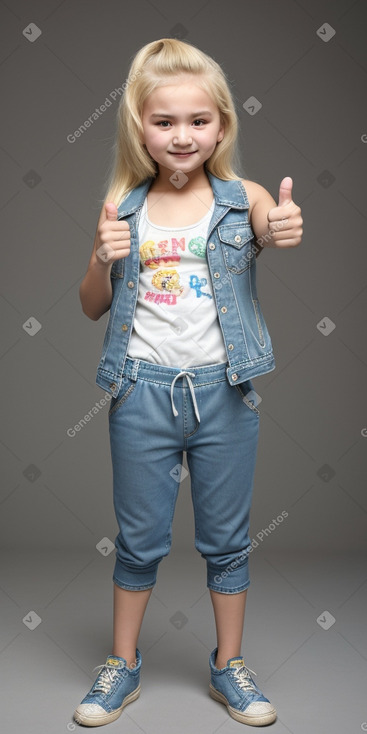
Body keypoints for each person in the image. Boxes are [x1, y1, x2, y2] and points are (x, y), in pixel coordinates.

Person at [73, 37, 303, 729]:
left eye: (198, 120)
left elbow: (275, 225)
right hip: (140, 390)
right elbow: (91, 305)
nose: (182, 135)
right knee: (139, 541)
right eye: (164, 121)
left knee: (226, 540)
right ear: (139, 127)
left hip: (223, 393)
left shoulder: (245, 198)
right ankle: (122, 665)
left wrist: (282, 225)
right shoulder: (122, 205)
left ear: (222, 125)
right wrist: (98, 256)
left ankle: (227, 665)